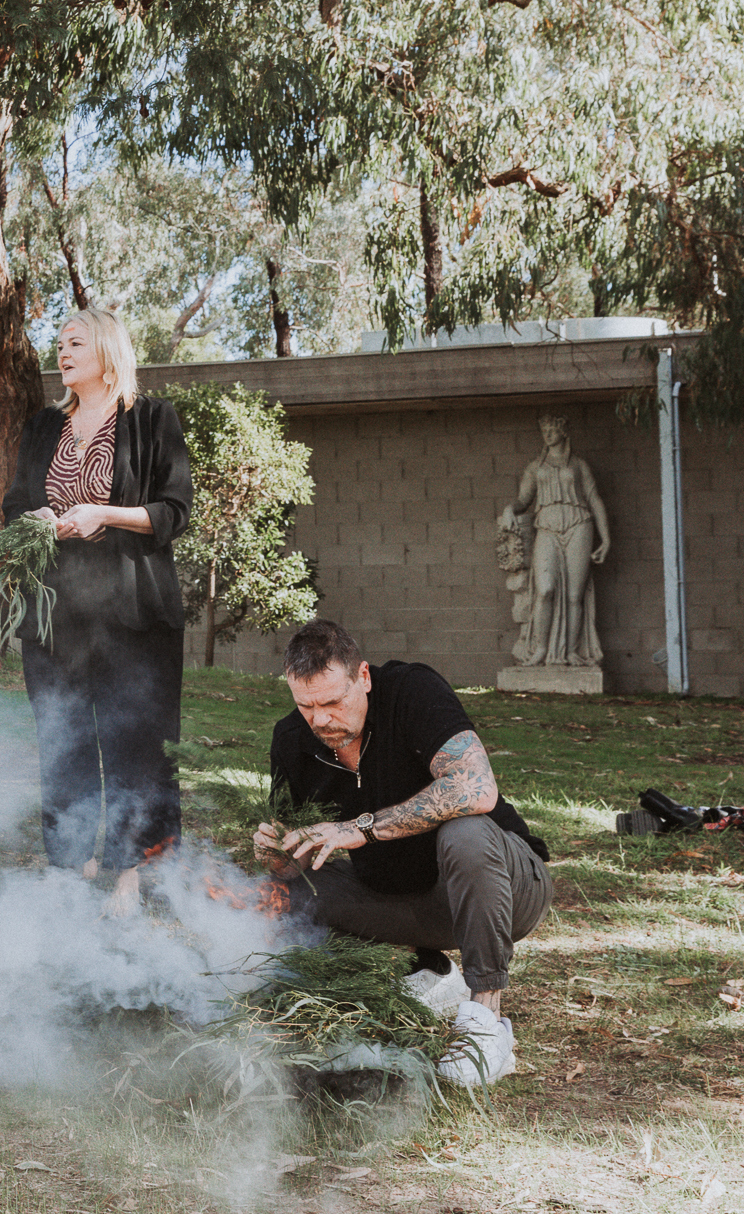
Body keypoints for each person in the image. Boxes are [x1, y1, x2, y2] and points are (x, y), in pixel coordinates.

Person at [255, 618, 554, 1087]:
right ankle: (427, 970)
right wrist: (278, 853)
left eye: (334, 702)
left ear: (365, 678)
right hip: (401, 904)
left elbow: (475, 789)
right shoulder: (293, 739)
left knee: (467, 831)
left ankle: (486, 1021)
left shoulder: (411, 690)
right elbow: (295, 856)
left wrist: (360, 828)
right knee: (283, 891)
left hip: (503, 889)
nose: (321, 719)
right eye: (306, 705)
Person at [0, 307, 192, 916]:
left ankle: (131, 872)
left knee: (134, 741)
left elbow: (173, 510)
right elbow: (15, 501)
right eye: (58, 342)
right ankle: (70, 861)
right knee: (62, 739)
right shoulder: (41, 427)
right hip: (55, 614)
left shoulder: (152, 419)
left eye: (75, 341)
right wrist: (31, 519)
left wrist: (103, 514)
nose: (63, 350)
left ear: (108, 350)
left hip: (133, 611)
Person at [497, 414, 610, 667]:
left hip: (579, 524)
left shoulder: (579, 465)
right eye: (544, 430)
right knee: (545, 589)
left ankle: (570, 651)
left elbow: (594, 499)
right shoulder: (535, 467)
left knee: (573, 595)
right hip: (546, 527)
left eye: (552, 429)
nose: (547, 434)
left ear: (563, 432)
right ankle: (541, 649)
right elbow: (524, 500)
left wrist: (606, 538)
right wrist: (509, 509)